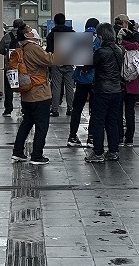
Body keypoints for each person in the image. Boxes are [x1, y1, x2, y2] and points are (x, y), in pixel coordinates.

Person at [11, 22, 58, 164]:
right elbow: (50, 60)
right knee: (42, 125)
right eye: (30, 30)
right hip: (39, 93)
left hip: (27, 94)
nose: (33, 31)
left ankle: (18, 152)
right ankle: (37, 155)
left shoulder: (21, 49)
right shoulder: (33, 48)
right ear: (26, 35)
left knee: (27, 123)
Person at [86, 24, 125, 162]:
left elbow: (87, 66)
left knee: (98, 121)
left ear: (101, 37)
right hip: (117, 90)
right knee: (112, 121)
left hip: (102, 90)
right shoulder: (120, 50)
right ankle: (113, 151)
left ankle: (98, 153)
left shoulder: (101, 52)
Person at [66, 18, 100, 147]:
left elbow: (71, 58)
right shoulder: (99, 41)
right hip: (94, 80)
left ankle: (72, 136)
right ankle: (91, 137)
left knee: (77, 109)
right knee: (94, 110)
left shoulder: (79, 40)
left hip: (80, 79)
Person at [46, 13, 76, 116]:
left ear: (55, 22)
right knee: (69, 87)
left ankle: (55, 110)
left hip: (56, 62)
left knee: (56, 87)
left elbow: (49, 50)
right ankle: (70, 109)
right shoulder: (72, 33)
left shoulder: (51, 34)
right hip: (69, 61)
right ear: (64, 21)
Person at [120, 28, 139, 146]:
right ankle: (129, 139)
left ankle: (119, 137)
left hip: (121, 84)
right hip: (133, 84)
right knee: (130, 112)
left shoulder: (120, 49)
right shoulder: (137, 48)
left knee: (118, 111)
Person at [0, 19, 23, 116]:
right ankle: (24, 109)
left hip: (10, 66)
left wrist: (6, 54)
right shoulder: (25, 36)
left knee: (9, 88)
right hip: (23, 67)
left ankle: (8, 109)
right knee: (24, 87)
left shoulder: (7, 36)